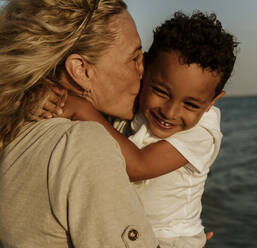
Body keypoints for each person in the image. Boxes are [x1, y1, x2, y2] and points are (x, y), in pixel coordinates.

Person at [45, 11, 238, 248]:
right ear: (143, 68)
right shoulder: (133, 106)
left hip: (171, 240)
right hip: (128, 229)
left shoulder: (202, 132)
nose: (169, 112)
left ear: (212, 102)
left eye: (190, 104)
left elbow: (138, 166)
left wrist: (82, 110)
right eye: (161, 92)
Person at [0, 0, 160, 247]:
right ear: (81, 70)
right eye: (134, 58)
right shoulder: (83, 145)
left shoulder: (15, 132)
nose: (144, 71)